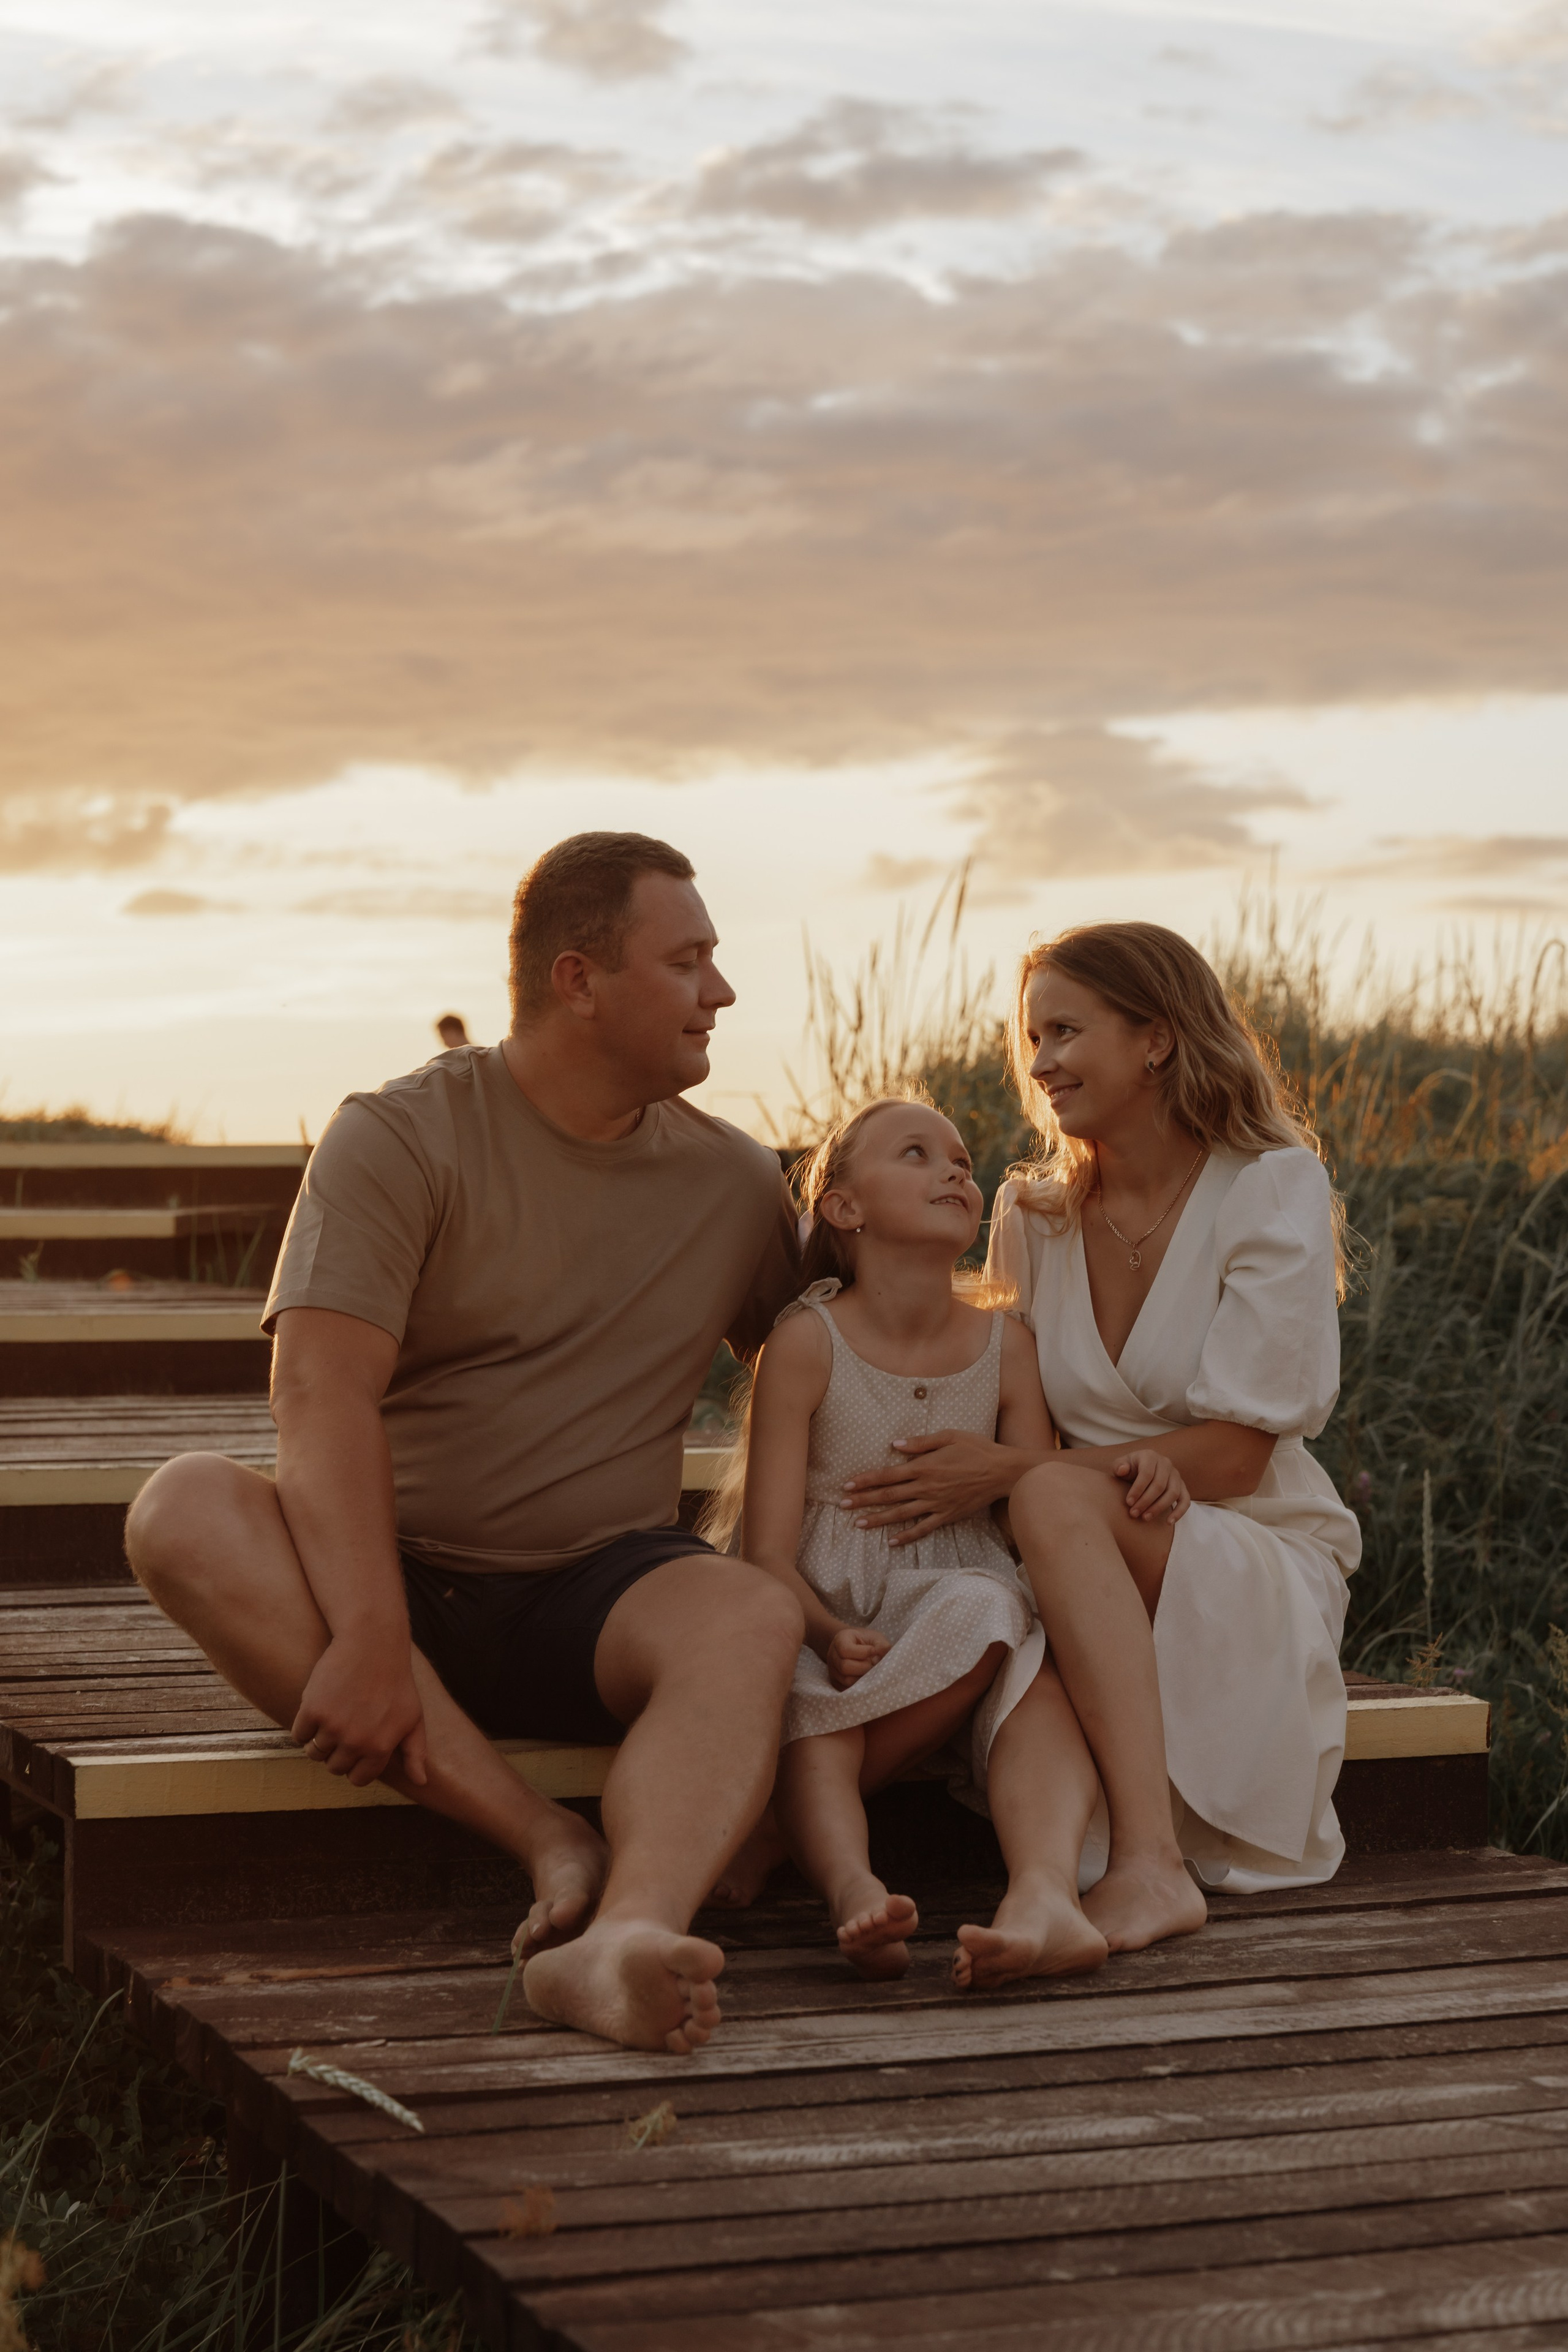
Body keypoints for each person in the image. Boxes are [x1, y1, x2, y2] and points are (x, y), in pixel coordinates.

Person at [126, 832, 805, 2056]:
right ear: (578, 981)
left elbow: (827, 1369)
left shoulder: (739, 1185)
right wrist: (372, 1633)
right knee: (179, 1506)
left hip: (596, 1593)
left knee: (747, 1617)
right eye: (688, 960)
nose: (721, 992)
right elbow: (319, 1392)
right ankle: (547, 1840)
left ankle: (622, 1938)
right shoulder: (399, 1136)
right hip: (383, 1579)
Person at [841, 922, 1359, 1932]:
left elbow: (1241, 1454)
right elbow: (1014, 1418)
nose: (1040, 1066)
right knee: (1020, 1629)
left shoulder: (1268, 1187)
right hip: (1075, 1540)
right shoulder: (1033, 1217)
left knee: (1044, 1496)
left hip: (1246, 1543)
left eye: (1065, 1032)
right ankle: (1039, 1899)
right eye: (1031, 1040)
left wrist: (1036, 1475)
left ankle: (1151, 1863)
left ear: (1156, 1038)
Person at [737, 1093, 1201, 1988]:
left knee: (1012, 1639)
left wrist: (1142, 1468)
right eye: (915, 1153)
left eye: (958, 1156)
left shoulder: (1005, 1346)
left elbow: (1037, 1500)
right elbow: (764, 1554)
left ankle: (1047, 1897)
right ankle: (851, 1891)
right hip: (827, 1609)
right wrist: (829, 1636)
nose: (955, 1168)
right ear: (845, 1208)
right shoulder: (807, 1342)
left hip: (962, 1607)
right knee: (808, 1701)